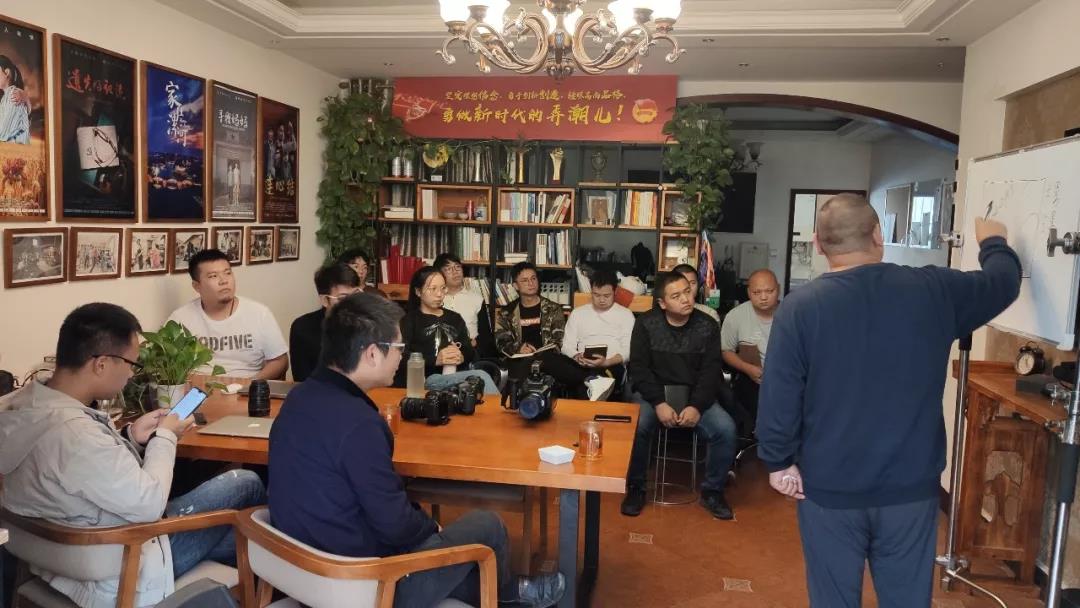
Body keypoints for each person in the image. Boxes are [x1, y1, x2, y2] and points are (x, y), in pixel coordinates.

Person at [757, 194, 1021, 607]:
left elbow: (780, 391)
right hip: (910, 487)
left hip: (829, 487)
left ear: (818, 244)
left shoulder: (799, 308)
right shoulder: (934, 290)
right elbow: (1003, 282)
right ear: (879, 235)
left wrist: (778, 460)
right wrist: (994, 241)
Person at [268, 293, 564, 608]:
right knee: (487, 524)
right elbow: (394, 524)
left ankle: (506, 591)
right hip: (366, 585)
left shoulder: (298, 399)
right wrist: (430, 528)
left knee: (452, 556)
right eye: (399, 347)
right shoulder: (359, 424)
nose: (402, 355)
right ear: (372, 354)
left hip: (302, 572)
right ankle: (507, 596)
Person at [0, 303, 265, 608]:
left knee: (240, 536)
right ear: (101, 364)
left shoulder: (21, 407)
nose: (131, 374)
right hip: (125, 563)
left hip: (55, 558)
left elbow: (84, 472)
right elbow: (150, 504)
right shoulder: (74, 434)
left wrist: (130, 437)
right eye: (131, 364)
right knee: (245, 486)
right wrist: (165, 436)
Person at [622, 272, 737, 520]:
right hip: (654, 395)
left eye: (687, 291)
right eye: (676, 296)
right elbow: (639, 369)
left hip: (695, 395)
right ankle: (636, 488)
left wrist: (696, 406)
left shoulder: (707, 326)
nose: (686, 299)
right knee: (637, 427)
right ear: (662, 303)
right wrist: (659, 403)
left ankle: (713, 492)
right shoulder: (646, 324)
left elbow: (710, 373)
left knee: (725, 429)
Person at [495, 262, 613, 400]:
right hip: (519, 359)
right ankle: (592, 380)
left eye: (533, 278)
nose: (531, 283)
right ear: (515, 286)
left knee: (548, 360)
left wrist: (540, 352)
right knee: (524, 366)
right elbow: (500, 340)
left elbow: (559, 339)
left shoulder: (553, 309)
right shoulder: (506, 312)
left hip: (548, 358)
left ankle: (591, 382)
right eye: (525, 280)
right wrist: (519, 348)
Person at [168, 248, 289, 379]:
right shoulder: (180, 318)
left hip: (247, 385)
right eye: (213, 276)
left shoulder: (259, 314)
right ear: (197, 286)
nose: (224, 281)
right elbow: (164, 364)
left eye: (227, 273)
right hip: (199, 387)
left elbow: (280, 361)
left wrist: (250, 385)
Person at [396, 266, 499, 395]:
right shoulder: (408, 321)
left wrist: (461, 356)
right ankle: (500, 407)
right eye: (433, 289)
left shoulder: (455, 318)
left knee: (478, 381)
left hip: (456, 379)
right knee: (481, 377)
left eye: (443, 288)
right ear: (418, 291)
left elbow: (469, 351)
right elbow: (399, 356)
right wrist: (435, 360)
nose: (439, 294)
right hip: (424, 381)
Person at [720, 268, 780, 434]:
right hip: (751, 378)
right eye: (757, 292)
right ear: (748, 292)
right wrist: (748, 369)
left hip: (784, 379)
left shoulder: (792, 314)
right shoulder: (736, 316)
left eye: (769, 291)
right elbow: (726, 351)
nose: (763, 297)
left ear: (778, 289)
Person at [561, 269, 635, 392]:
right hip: (581, 365)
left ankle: (589, 382)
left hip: (611, 366)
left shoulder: (626, 315)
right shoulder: (578, 313)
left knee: (587, 382)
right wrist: (576, 356)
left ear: (615, 292)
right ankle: (590, 382)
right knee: (552, 360)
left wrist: (607, 362)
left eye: (606, 296)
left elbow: (628, 350)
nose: (601, 300)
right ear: (591, 291)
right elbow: (566, 346)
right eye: (596, 295)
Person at [289, 263, 361, 382]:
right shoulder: (303, 328)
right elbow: (302, 379)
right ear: (324, 300)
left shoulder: (369, 323)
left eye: (356, 295)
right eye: (343, 298)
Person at [434, 252, 492, 354]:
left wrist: (474, 343)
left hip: (471, 352)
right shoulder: (434, 299)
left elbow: (485, 335)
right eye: (448, 269)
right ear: (439, 274)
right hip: (440, 353)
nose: (455, 272)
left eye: (458, 267)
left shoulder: (477, 299)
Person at [0, 55, 30, 144]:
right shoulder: (5, 97)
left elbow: (4, 131)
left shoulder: (14, 94)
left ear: (6, 72)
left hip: (18, 148)